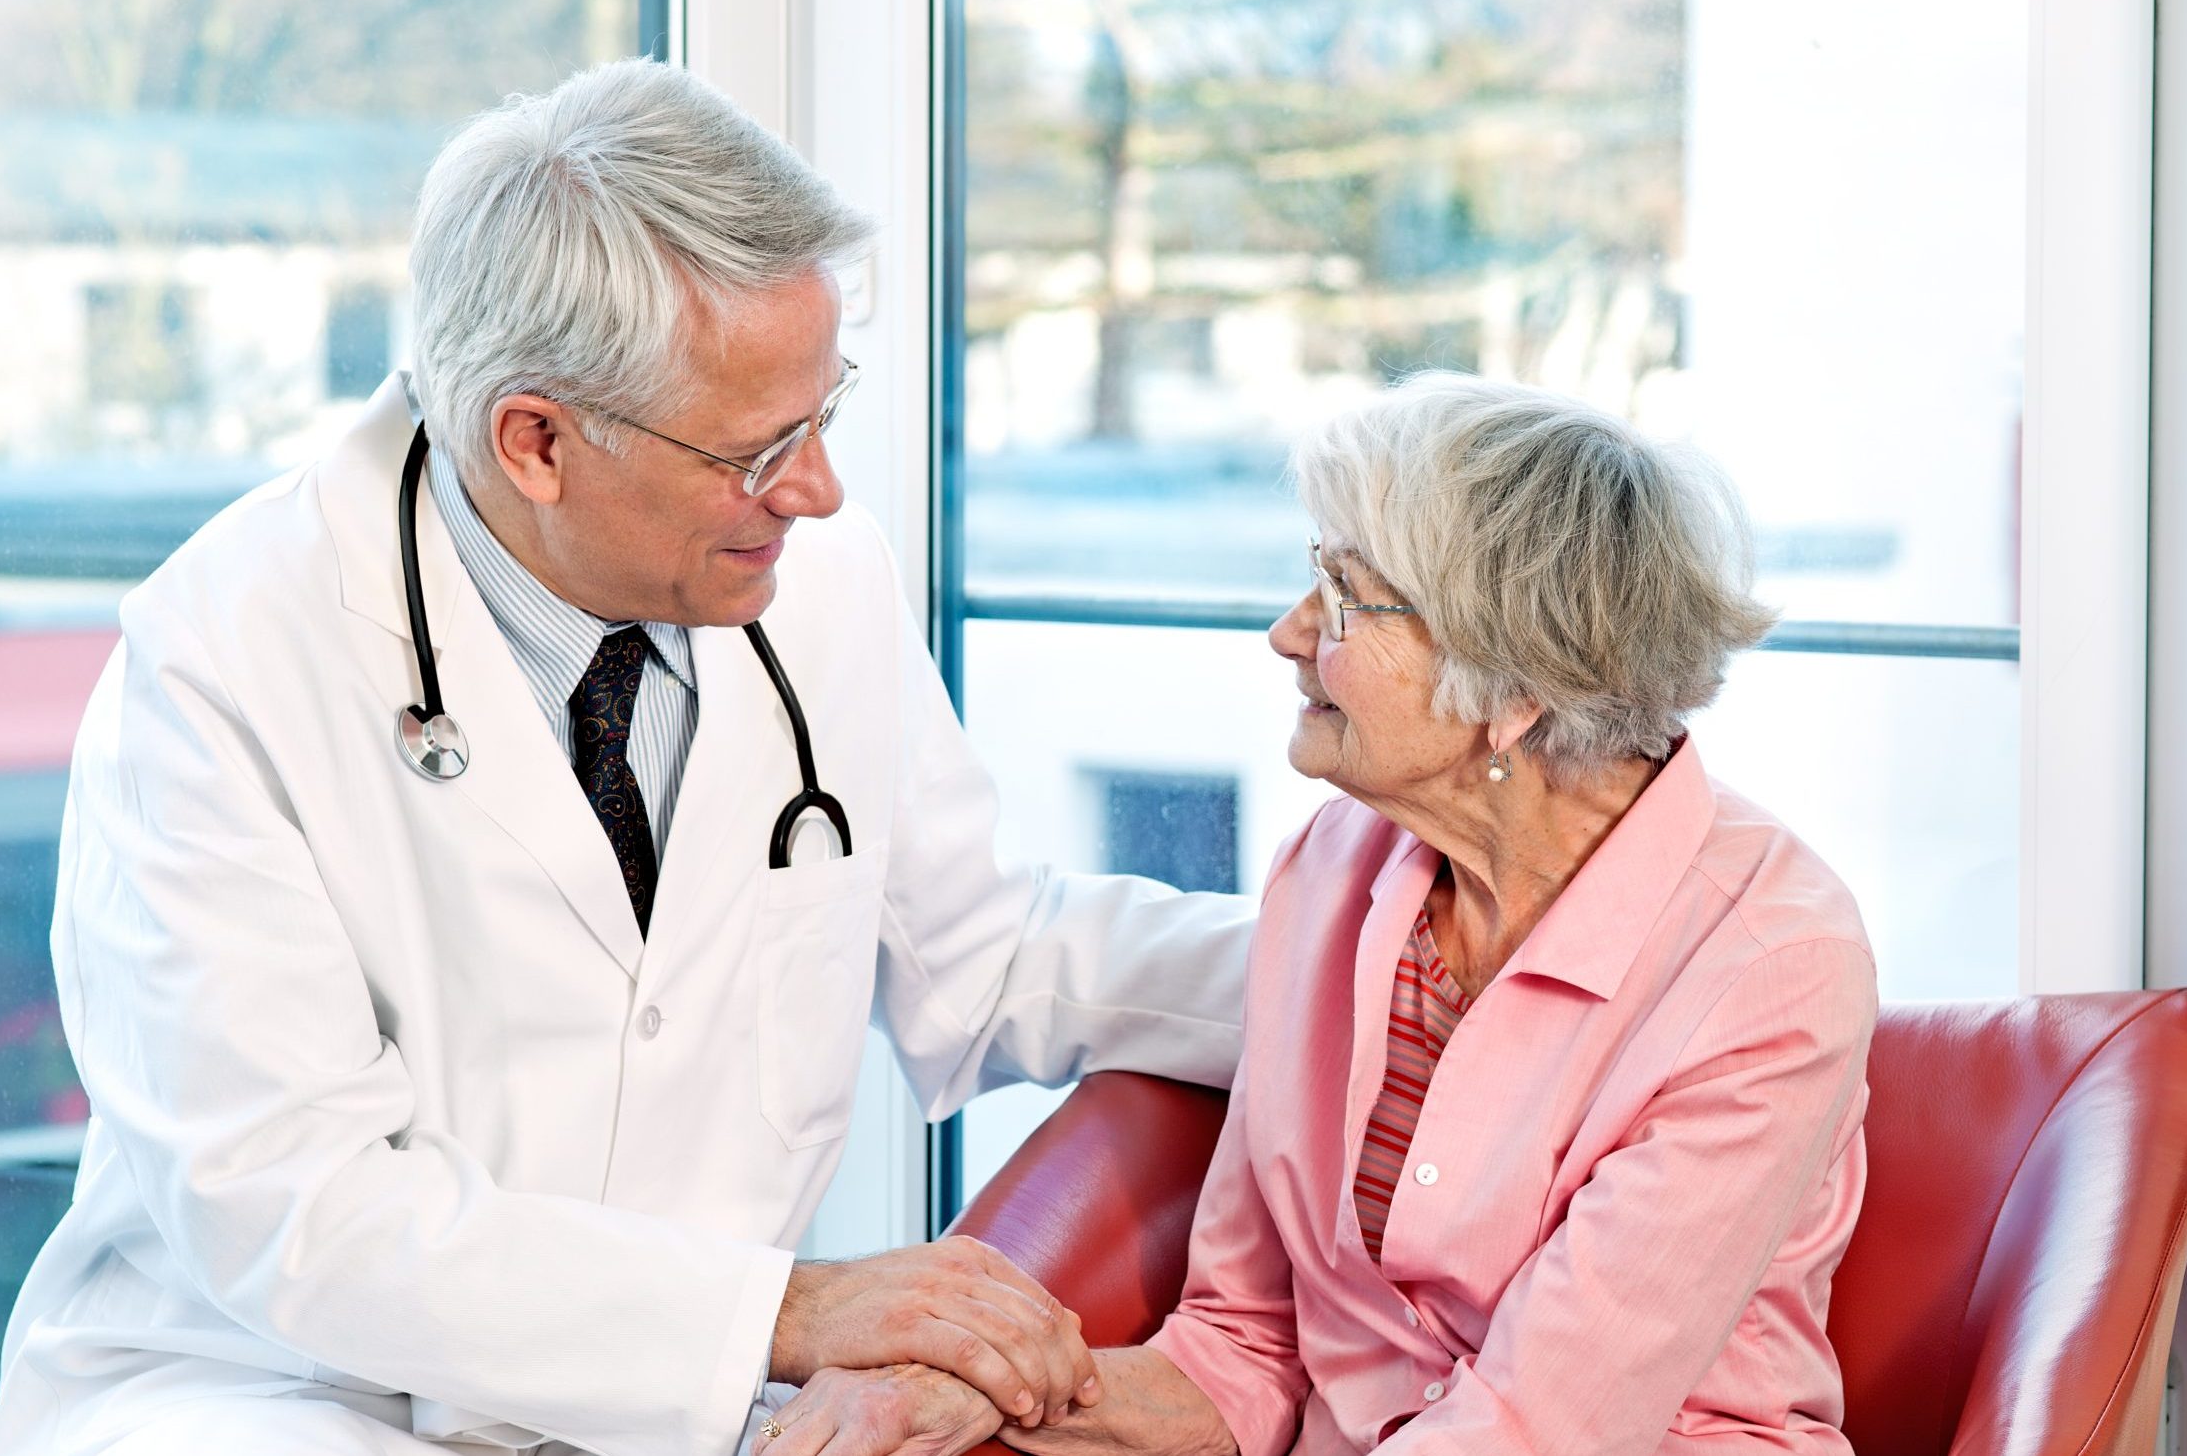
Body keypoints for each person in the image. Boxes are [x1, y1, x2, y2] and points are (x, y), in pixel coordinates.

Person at [0, 60, 1250, 1456]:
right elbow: (296, 1210)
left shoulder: (815, 583)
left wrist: (1365, 957)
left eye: (824, 412)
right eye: (761, 447)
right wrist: (786, 1311)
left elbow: (987, 959)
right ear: (535, 441)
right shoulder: (222, 657)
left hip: (663, 1409)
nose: (819, 488)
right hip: (275, 1397)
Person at [798, 376, 1878, 1455]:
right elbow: (1241, 1347)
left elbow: (1533, 1428)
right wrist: (983, 1392)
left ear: (1514, 685)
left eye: (1345, 596)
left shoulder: (1773, 964)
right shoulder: (1330, 868)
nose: (1288, 630)